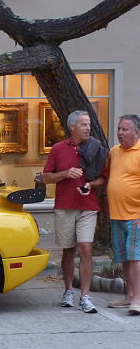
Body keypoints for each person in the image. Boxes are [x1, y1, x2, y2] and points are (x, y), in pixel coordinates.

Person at [43, 110, 106, 313]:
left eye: (88, 124)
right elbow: (46, 177)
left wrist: (90, 184)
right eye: (84, 124)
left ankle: (85, 296)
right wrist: (65, 173)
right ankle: (68, 290)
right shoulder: (58, 149)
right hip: (65, 205)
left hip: (88, 206)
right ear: (72, 127)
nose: (88, 128)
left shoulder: (96, 148)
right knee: (68, 250)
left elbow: (103, 178)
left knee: (86, 249)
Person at [89, 114, 140, 315]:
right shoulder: (114, 152)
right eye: (119, 129)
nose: (119, 133)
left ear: (136, 132)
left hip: (135, 216)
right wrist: (90, 185)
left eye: (124, 129)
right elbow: (105, 177)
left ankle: (137, 299)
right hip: (117, 215)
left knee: (135, 258)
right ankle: (129, 295)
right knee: (125, 258)